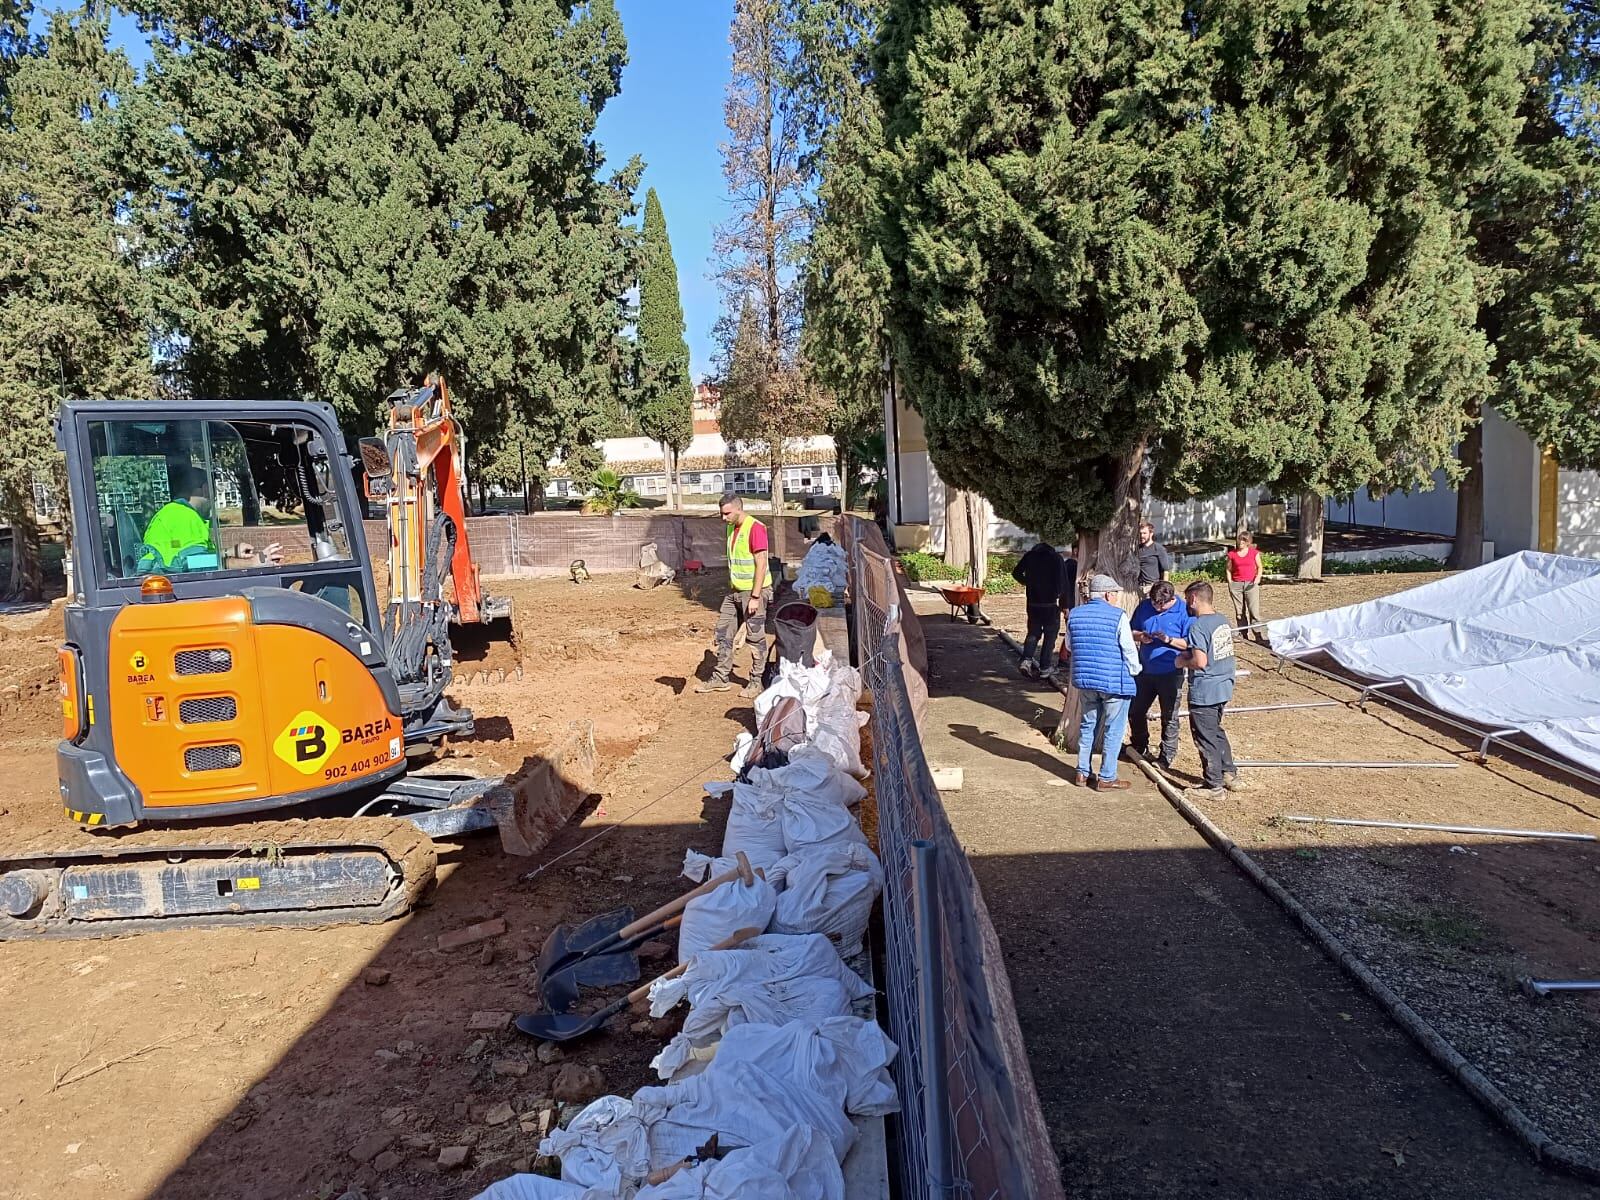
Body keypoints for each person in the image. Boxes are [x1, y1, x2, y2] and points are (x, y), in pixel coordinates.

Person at [1064, 573, 1141, 791]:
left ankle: (1082, 772)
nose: (1117, 597)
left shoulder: (1075, 615)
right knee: (1113, 729)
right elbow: (1128, 648)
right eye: (1115, 594)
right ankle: (1107, 777)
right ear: (1107, 594)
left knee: (1087, 726)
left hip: (1085, 680)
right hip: (1113, 681)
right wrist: (1135, 670)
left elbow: (1069, 646)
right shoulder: (1118, 616)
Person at [696, 492, 772, 698]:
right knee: (723, 633)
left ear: (739, 508)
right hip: (735, 593)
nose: (723, 518)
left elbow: (761, 563)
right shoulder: (731, 527)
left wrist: (755, 597)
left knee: (755, 638)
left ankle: (756, 681)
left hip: (754, 592)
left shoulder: (755, 528)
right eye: (721, 514)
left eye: (727, 513)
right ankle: (721, 678)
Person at [1175, 581, 1244, 799]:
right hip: (1224, 686)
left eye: (1187, 599)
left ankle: (1213, 785)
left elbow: (1201, 661)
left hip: (1205, 690)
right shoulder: (1221, 621)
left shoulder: (1198, 626)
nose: (1187, 604)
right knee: (1215, 730)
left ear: (1194, 598)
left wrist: (1181, 663)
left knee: (1204, 736)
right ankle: (1228, 773)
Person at [1128, 581, 1191, 769]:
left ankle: (1166, 755)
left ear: (1172, 599)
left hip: (1171, 672)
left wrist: (1169, 640)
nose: (1157, 608)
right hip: (1145, 670)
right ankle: (1140, 745)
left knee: (1169, 715)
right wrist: (1140, 636)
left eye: (1161, 605)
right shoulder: (1144, 607)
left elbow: (1190, 643)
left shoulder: (1184, 611)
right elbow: (1131, 630)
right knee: (1135, 710)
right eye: (1154, 604)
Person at [1012, 540, 1068, 678]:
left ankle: (1026, 660)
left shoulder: (1030, 556)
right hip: (1050, 603)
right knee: (1050, 636)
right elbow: (1063, 582)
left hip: (1033, 603)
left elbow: (1016, 573)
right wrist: (1064, 604)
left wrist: (1028, 583)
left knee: (1033, 633)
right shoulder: (1056, 558)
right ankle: (1045, 667)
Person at [142, 465, 217, 568]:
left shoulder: (172, 513)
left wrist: (227, 553)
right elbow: (195, 565)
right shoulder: (185, 517)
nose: (214, 498)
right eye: (213, 490)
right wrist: (228, 563)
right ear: (205, 489)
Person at [1226, 530, 1265, 642]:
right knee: (1239, 612)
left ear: (1248, 542)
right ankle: (1244, 635)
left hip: (1251, 584)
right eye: (1240, 540)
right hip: (1236, 584)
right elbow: (1228, 569)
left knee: (1254, 611)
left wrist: (1257, 578)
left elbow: (1259, 567)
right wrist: (1230, 582)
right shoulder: (1232, 554)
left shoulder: (1254, 553)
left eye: (1244, 540)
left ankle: (1258, 635)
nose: (1241, 542)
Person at [1137, 521, 1172, 589]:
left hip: (1153, 587)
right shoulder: (1137, 549)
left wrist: (1164, 588)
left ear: (1151, 533)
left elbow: (1165, 571)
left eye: (1144, 533)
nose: (1142, 536)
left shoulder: (1159, 549)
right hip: (1139, 587)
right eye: (1140, 533)